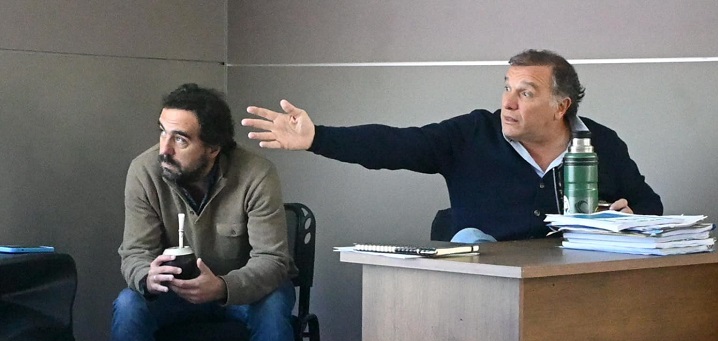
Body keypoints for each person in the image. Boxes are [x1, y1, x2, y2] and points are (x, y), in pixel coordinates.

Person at [241, 49, 663, 243]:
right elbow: (395, 144)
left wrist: (632, 219)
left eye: (526, 93)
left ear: (561, 106)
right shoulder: (472, 134)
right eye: (506, 88)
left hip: (572, 290)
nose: (508, 103)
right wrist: (318, 137)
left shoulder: (601, 144)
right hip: (486, 288)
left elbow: (650, 206)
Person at [111, 83, 297, 341]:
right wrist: (147, 276)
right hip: (175, 294)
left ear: (212, 148)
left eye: (180, 139)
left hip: (245, 294)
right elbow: (135, 252)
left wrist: (223, 287)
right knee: (128, 305)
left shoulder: (256, 174)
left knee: (274, 306)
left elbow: (273, 261)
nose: (164, 149)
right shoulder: (144, 171)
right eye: (162, 132)